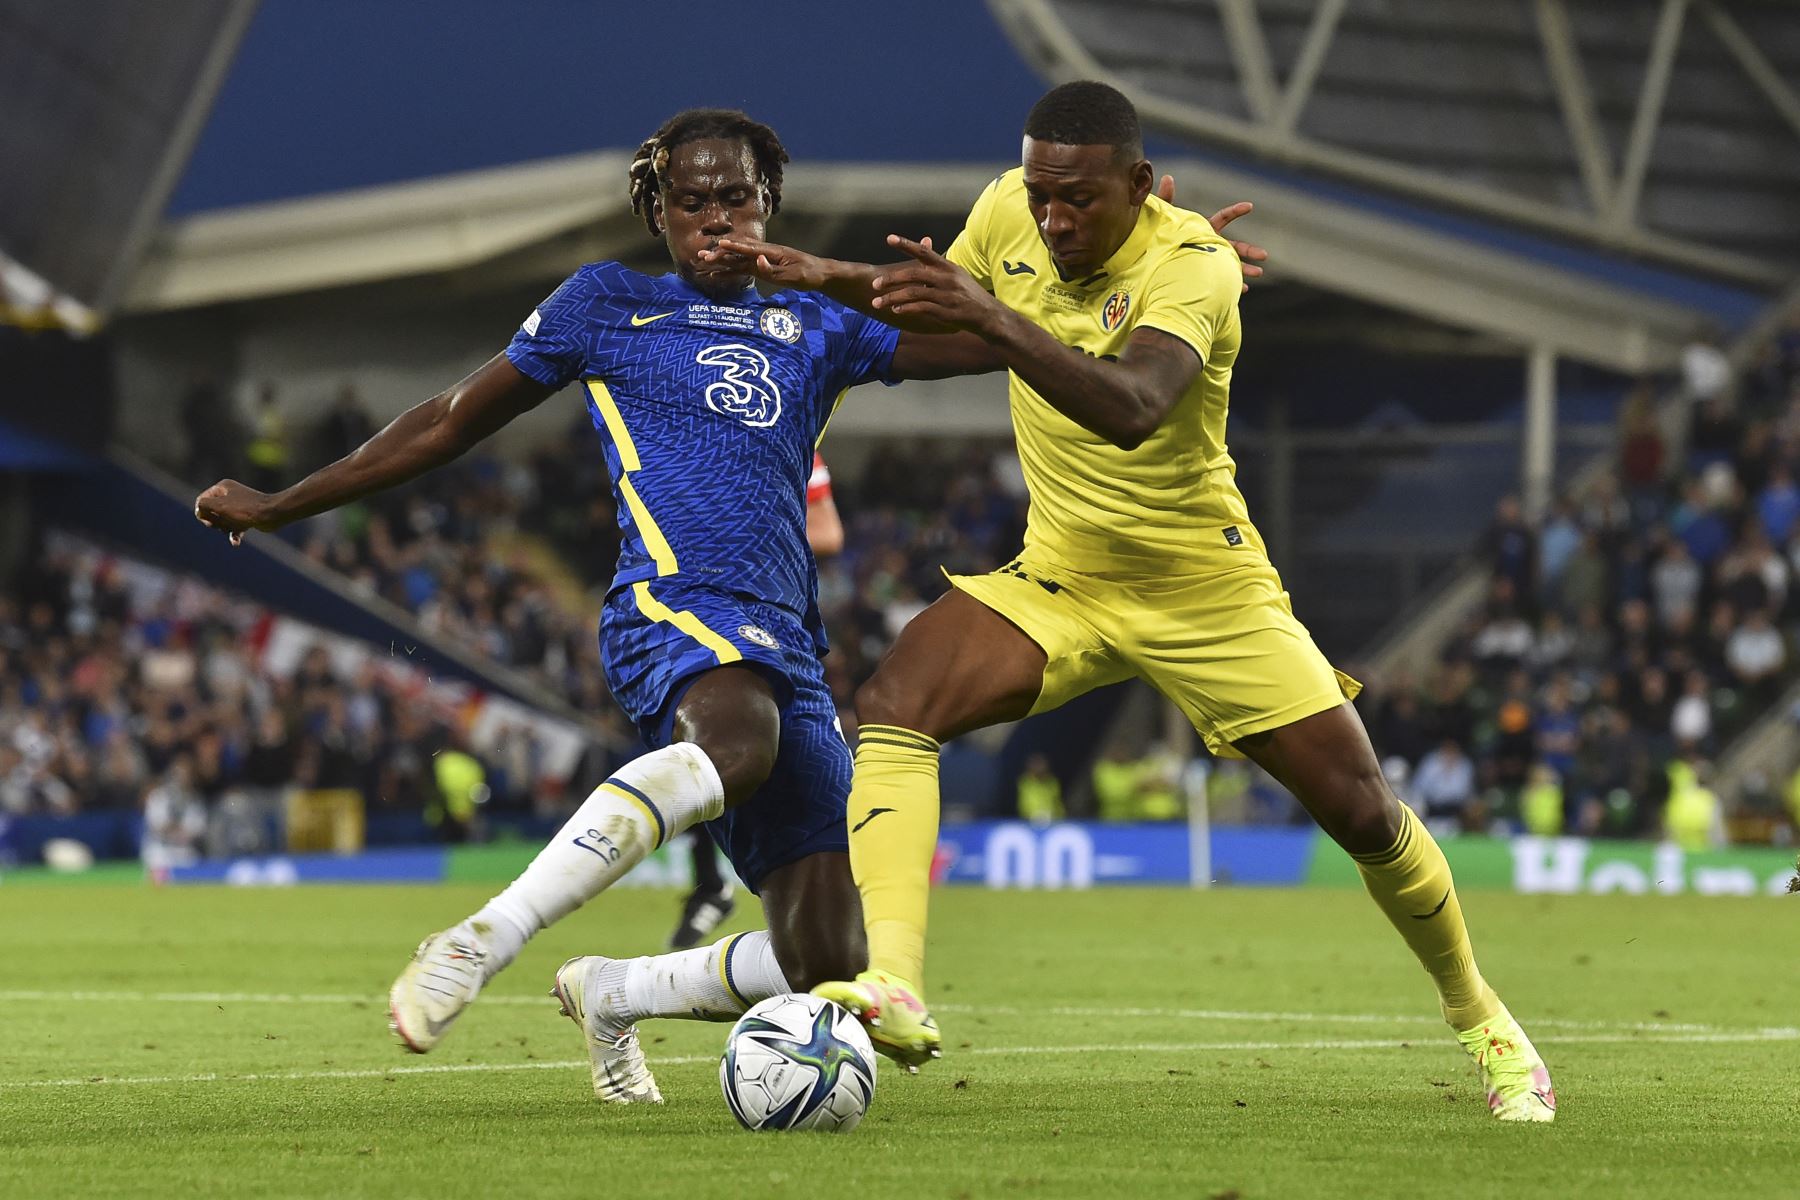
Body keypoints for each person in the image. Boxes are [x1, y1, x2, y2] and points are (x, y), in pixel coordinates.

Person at [195, 106, 1267, 1105]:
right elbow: (443, 421)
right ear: (656, 212)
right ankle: (487, 934)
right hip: (670, 607)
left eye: (739, 200)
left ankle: (616, 991)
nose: (719, 222)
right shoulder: (602, 305)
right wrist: (286, 501)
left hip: (783, 643)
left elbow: (991, 334)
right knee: (738, 746)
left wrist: (1155, 267)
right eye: (695, 204)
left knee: (829, 965)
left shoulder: (817, 319)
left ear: (770, 206)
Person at [718, 80, 1554, 1121]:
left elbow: (1133, 406)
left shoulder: (1194, 266)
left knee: (1364, 813)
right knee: (897, 701)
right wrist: (825, 283)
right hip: (1063, 576)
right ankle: (894, 984)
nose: (1052, 220)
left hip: (1205, 589)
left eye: (1077, 201)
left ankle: (1486, 1022)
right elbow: (943, 327)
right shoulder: (1007, 216)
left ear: (1141, 186)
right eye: (1040, 195)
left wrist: (989, 312)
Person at [666, 451, 842, 951]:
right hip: (700, 611)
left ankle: (811, 911)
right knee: (697, 747)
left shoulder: (797, 441)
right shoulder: (697, 434)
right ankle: (711, 884)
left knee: (774, 761)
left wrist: (747, 544)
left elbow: (828, 534)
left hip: (774, 622)